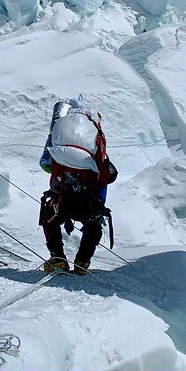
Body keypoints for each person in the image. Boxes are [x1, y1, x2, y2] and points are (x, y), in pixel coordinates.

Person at [38, 96, 117, 275]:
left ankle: (57, 258)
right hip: (87, 198)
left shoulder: (59, 129)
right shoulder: (95, 134)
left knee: (49, 217)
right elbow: (107, 174)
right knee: (94, 224)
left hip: (61, 196)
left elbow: (46, 163)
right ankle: (82, 261)